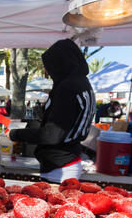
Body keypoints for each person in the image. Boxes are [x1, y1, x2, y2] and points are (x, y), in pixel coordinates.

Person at [6, 39, 96, 184]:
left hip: (60, 167)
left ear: (60, 64)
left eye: (49, 66)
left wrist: (15, 134)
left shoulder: (68, 88)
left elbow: (52, 134)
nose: (48, 71)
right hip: (67, 160)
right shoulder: (82, 83)